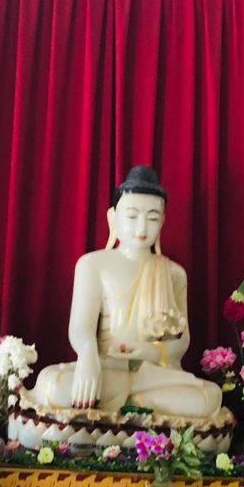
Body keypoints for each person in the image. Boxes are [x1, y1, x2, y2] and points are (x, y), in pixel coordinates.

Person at [27, 166, 223, 419]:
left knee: (209, 397)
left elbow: (181, 342)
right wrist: (88, 359)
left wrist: (148, 351)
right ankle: (139, 407)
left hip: (153, 375)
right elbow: (81, 327)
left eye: (152, 218)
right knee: (53, 384)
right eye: (131, 216)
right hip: (103, 368)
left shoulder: (174, 273)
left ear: (163, 221)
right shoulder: (92, 264)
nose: (141, 227)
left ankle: (122, 404)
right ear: (113, 217)